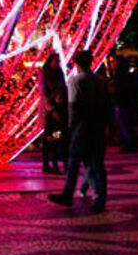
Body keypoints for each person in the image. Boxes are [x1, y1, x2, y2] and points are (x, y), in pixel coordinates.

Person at [48, 50, 112, 213]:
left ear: (76, 63)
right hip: (98, 125)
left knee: (74, 161)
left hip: (82, 126)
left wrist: (70, 126)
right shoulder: (101, 82)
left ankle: (68, 194)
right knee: (96, 163)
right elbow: (107, 105)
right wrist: (107, 125)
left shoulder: (76, 81)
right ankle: (100, 199)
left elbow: (73, 106)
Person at [38, 52, 67, 174]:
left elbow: (63, 89)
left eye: (58, 61)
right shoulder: (44, 75)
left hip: (59, 109)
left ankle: (56, 163)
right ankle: (46, 164)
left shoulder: (60, 74)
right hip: (49, 112)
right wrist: (52, 109)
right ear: (49, 62)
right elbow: (43, 95)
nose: (57, 64)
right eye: (55, 61)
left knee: (57, 137)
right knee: (48, 138)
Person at [107, 53, 138, 151]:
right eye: (110, 62)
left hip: (122, 103)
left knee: (124, 124)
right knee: (123, 124)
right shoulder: (119, 74)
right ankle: (127, 143)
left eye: (113, 62)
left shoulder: (120, 75)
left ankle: (129, 144)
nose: (111, 64)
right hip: (121, 102)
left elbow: (119, 89)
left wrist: (111, 88)